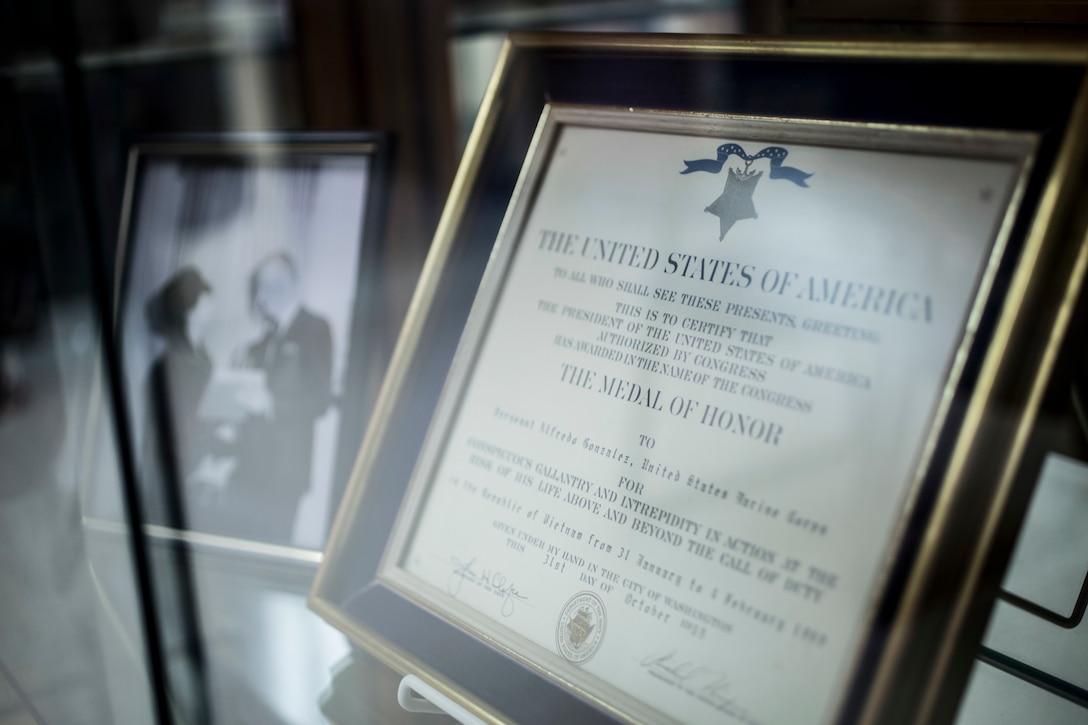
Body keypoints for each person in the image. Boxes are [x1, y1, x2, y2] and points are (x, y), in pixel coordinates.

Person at [226, 252, 332, 545]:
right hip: (249, 466)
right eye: (260, 285)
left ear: (293, 284)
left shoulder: (315, 328)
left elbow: (321, 400)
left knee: (272, 544)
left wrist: (271, 405)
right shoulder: (258, 345)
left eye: (271, 284)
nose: (262, 294)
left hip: (285, 470)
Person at [143, 266, 232, 527]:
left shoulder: (204, 360)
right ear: (191, 308)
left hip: (207, 474)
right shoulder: (170, 367)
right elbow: (172, 432)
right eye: (205, 298)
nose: (212, 306)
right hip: (183, 480)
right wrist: (198, 467)